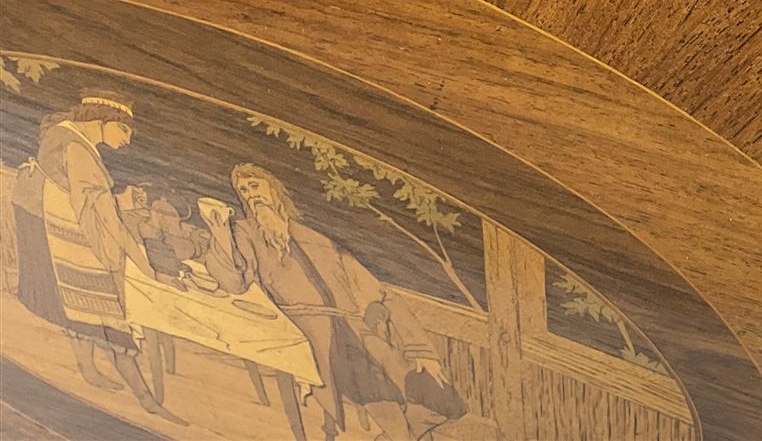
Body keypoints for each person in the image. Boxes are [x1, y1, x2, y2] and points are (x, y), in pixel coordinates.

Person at [201, 163, 463, 441]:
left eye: (255, 186)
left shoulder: (315, 238)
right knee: (372, 382)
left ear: (274, 189)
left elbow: (373, 289)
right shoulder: (243, 233)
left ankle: (402, 434)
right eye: (243, 190)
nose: (250, 195)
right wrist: (219, 233)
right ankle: (400, 435)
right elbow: (233, 281)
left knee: (426, 383)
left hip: (351, 323)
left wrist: (420, 349)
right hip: (311, 330)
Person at [21, 92, 183, 424]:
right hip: (71, 239)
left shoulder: (65, 135)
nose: (127, 140)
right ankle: (148, 401)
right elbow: (104, 217)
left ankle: (89, 369)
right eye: (124, 131)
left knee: (81, 311)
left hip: (54, 229)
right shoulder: (79, 151)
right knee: (108, 318)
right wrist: (141, 262)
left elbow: (94, 202)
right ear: (103, 122)